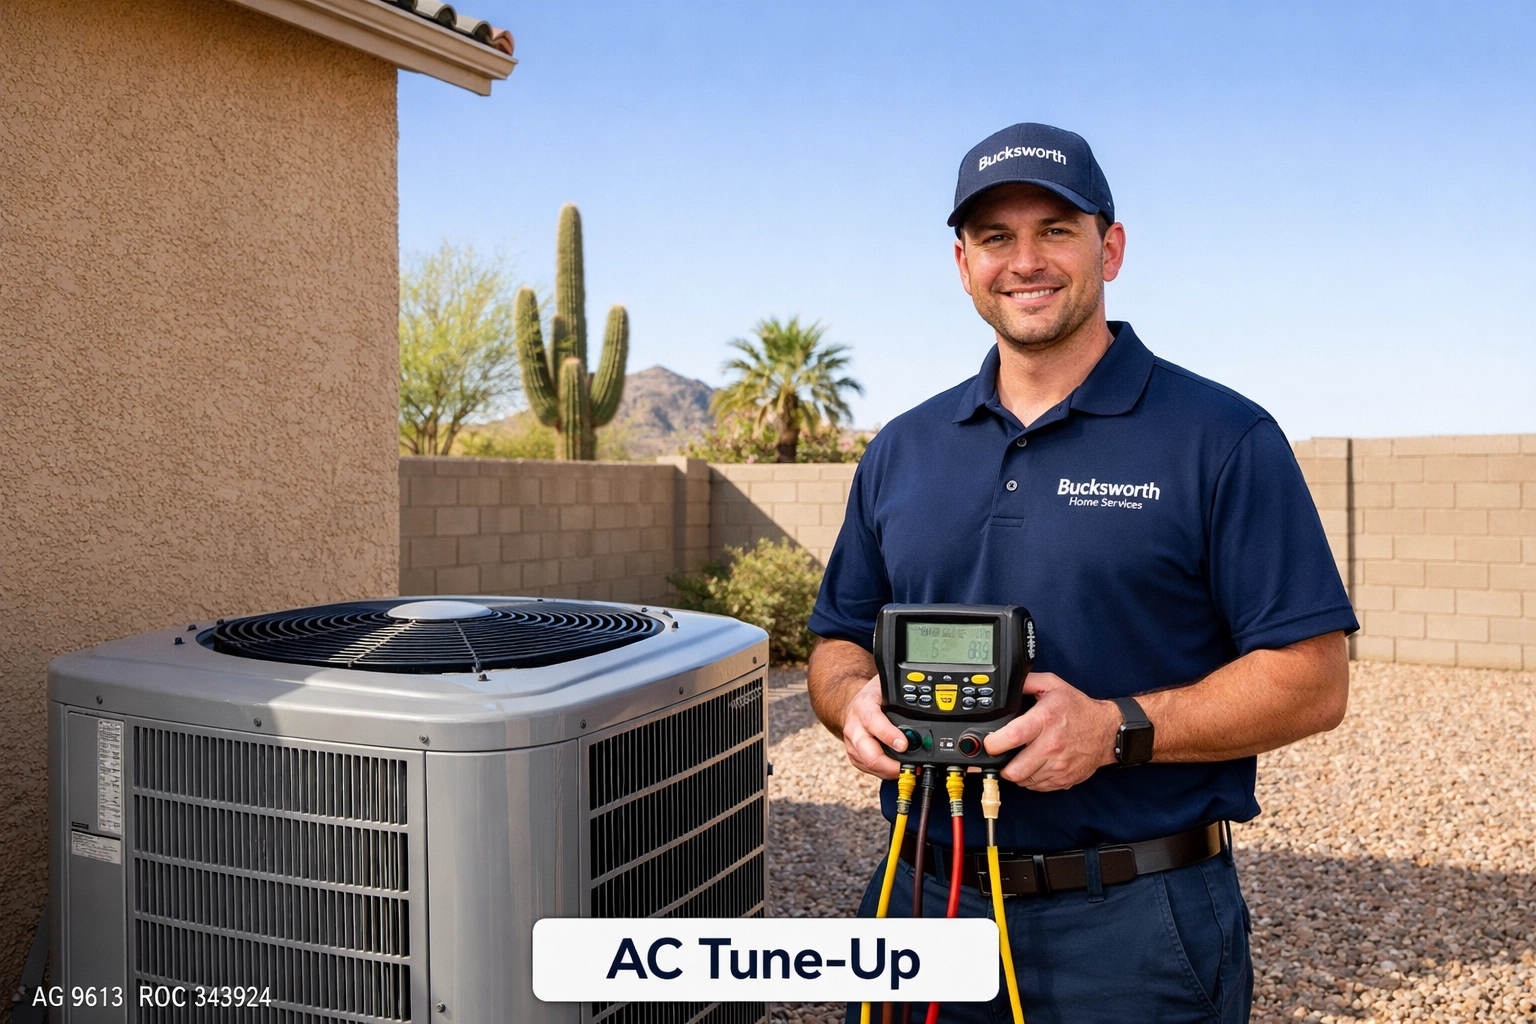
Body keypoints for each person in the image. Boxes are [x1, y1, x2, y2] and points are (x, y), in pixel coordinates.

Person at [805, 122, 1359, 1024]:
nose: (1024, 260)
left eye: (1055, 229)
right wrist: (849, 704)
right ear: (962, 264)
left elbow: (1314, 680)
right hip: (918, 901)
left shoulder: (1222, 437)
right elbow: (836, 640)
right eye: (995, 237)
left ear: (1111, 247)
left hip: (1134, 929)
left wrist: (1114, 729)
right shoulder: (902, 450)